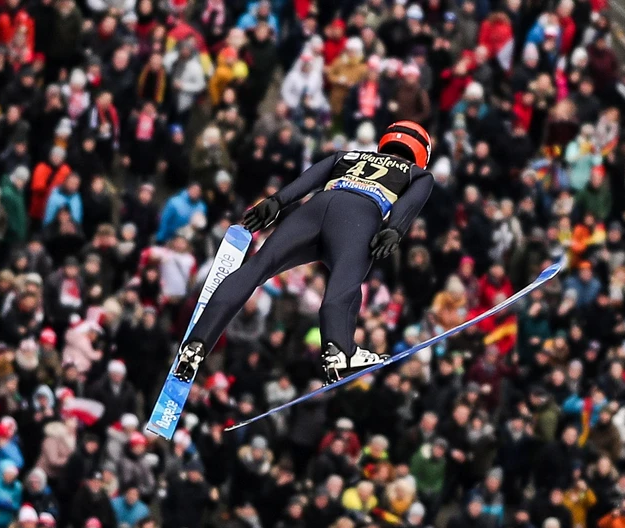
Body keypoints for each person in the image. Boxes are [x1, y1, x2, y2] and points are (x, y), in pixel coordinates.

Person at [177, 121, 434, 384]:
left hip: (315, 209)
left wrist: (276, 201)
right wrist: (395, 230)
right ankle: (339, 351)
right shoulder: (418, 174)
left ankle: (196, 343)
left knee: (257, 267)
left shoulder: (347, 155)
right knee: (344, 286)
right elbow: (411, 202)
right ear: (422, 152)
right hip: (359, 216)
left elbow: (308, 179)